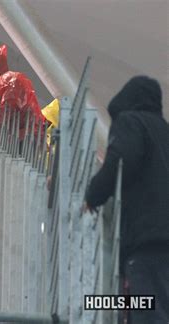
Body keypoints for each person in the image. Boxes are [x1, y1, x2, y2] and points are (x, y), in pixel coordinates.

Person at [84, 76, 169, 324]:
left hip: (145, 244)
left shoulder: (131, 122)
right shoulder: (165, 133)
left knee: (147, 311)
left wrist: (93, 195)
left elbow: (122, 159)